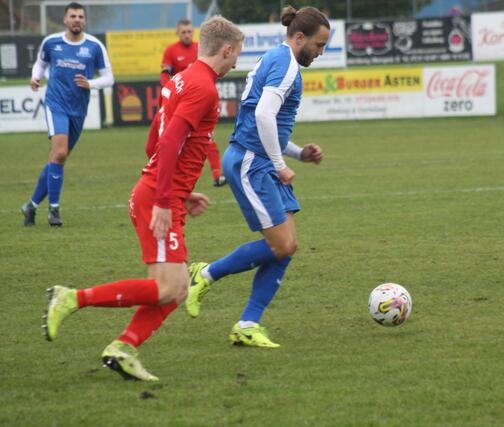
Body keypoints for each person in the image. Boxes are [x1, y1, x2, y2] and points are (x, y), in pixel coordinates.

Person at [41, 16, 244, 381]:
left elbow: (154, 139)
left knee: (178, 289)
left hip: (160, 192)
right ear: (226, 49)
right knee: (168, 287)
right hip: (157, 197)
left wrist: (180, 192)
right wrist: (166, 198)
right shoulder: (204, 87)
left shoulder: (183, 79)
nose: (235, 64)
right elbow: (167, 143)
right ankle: (70, 298)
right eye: (235, 56)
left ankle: (123, 347)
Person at [185, 6, 328, 348]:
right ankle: (204, 274)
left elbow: (268, 123)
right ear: (299, 37)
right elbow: (263, 115)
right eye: (319, 45)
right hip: (253, 162)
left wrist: (297, 154)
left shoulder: (278, 59)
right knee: (282, 244)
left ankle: (248, 323)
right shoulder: (286, 65)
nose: (320, 53)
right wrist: (280, 163)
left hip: (260, 159)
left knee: (286, 247)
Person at [21, 2, 113, 227]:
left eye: (80, 16)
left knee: (57, 158)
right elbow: (40, 64)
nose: (77, 20)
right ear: (65, 19)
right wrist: (36, 77)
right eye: (72, 16)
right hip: (56, 105)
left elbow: (109, 78)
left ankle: (30, 206)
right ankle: (54, 210)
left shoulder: (94, 46)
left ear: (85, 20)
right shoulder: (51, 42)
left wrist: (90, 83)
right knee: (60, 153)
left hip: (78, 110)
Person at [161, 19, 227, 187]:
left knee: (207, 137)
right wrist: (170, 89)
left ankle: (217, 175)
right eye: (183, 32)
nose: (187, 35)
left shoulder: (200, 49)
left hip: (197, 100)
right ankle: (166, 171)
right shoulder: (170, 51)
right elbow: (164, 74)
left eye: (189, 31)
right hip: (179, 101)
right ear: (178, 33)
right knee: (171, 139)